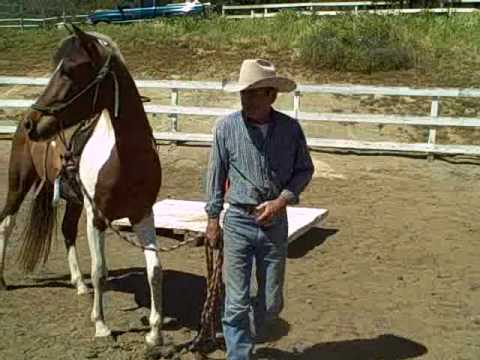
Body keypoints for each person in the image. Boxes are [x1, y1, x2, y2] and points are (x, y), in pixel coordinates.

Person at [205, 59, 314, 360]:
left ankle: (250, 329)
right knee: (236, 300)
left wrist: (281, 201)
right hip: (238, 220)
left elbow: (304, 169)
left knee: (270, 302)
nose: (247, 99)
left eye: (254, 93)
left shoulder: (291, 130)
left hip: (275, 222)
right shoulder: (226, 128)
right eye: (244, 93)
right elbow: (215, 174)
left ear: (271, 95)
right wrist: (213, 219)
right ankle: (238, 353)